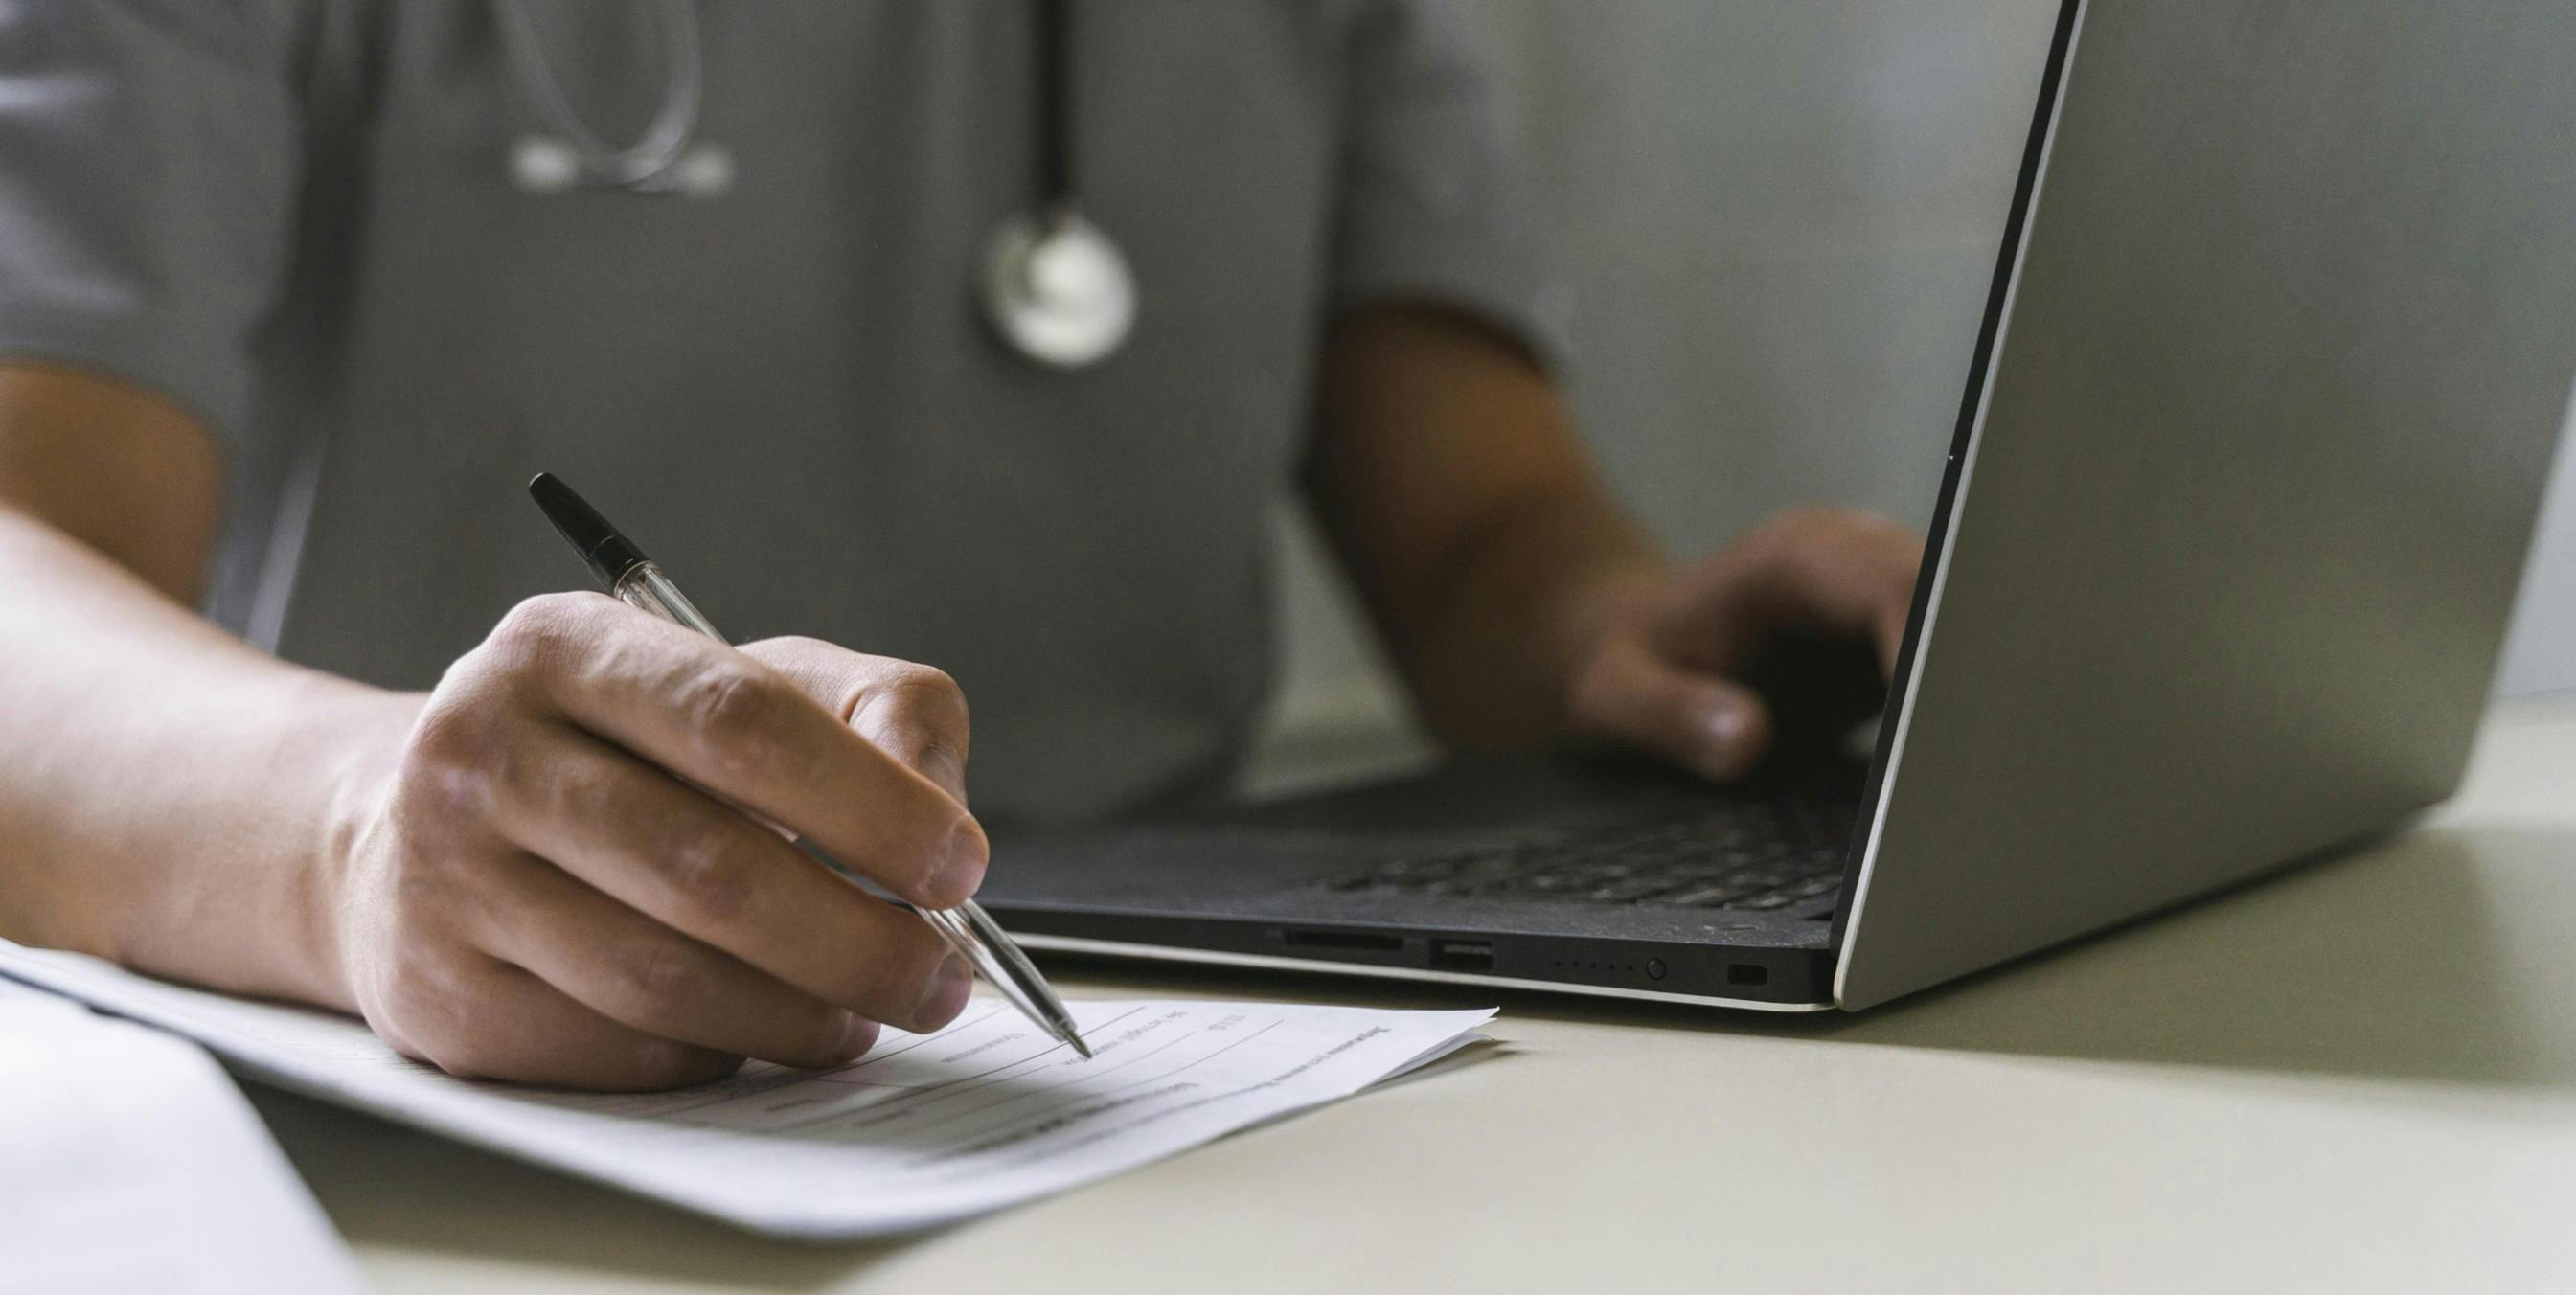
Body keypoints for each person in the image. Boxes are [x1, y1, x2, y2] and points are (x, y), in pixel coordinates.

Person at [0, 1, 1920, 1090]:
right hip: (485, 1082)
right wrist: (358, 830)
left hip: (1190, 1073)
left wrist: (1627, 634)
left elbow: (1486, 543)